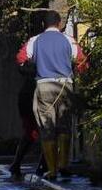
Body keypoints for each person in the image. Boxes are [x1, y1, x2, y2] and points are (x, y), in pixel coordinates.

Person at [16, 10, 88, 181]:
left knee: (47, 127)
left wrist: (33, 69)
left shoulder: (35, 41)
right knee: (64, 126)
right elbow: (82, 62)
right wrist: (74, 70)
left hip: (44, 86)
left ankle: (52, 170)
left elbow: (20, 59)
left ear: (43, 25)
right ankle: (63, 165)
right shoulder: (69, 40)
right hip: (65, 86)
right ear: (60, 24)